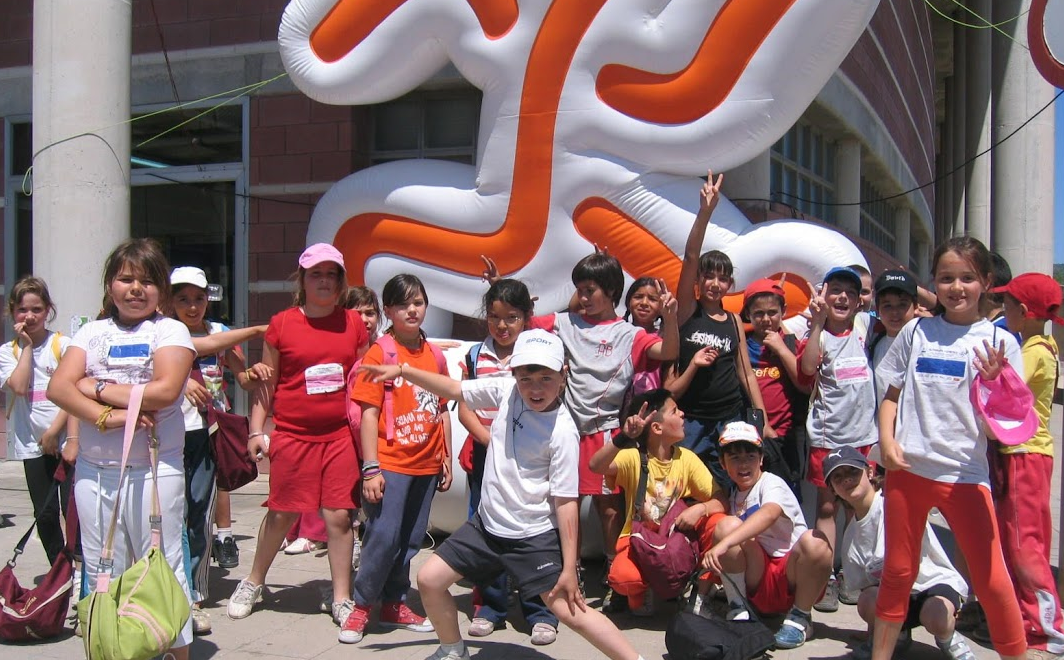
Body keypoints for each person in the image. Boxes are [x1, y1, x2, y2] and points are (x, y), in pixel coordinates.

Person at [362, 328, 650, 660]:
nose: (535, 387)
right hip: (486, 527)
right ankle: (454, 650)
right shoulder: (506, 390)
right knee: (429, 579)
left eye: (546, 377)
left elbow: (567, 504)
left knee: (570, 610)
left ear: (563, 375)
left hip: (533, 536)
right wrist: (403, 371)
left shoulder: (562, 431)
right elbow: (455, 389)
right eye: (526, 377)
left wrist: (570, 568)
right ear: (514, 374)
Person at [875, 236, 1027, 660]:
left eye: (967, 278)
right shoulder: (916, 331)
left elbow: (1004, 429)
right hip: (908, 471)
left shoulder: (1001, 343)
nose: (956, 287)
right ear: (934, 283)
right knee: (898, 573)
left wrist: (998, 383)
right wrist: (886, 442)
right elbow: (890, 395)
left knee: (992, 580)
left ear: (987, 282)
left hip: (965, 474)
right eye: (946, 278)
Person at [47, 238, 197, 658]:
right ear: (110, 285)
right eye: (125, 278)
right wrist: (107, 416)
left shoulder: (170, 330)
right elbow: (60, 386)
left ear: (161, 290)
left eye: (147, 281)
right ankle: (109, 647)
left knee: (162, 565)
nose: (135, 289)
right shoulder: (91, 332)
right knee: (99, 568)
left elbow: (165, 390)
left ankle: (174, 650)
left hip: (154, 469)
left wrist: (94, 386)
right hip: (95, 472)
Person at [226, 244, 369, 641]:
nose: (324, 281)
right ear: (302, 279)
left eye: (331, 274)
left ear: (341, 282)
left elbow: (364, 379)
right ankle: (254, 581)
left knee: (339, 517)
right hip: (291, 434)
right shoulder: (282, 323)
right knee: (282, 513)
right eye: (315, 274)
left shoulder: (355, 323)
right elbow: (266, 383)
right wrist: (257, 430)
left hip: (339, 435)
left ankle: (342, 595)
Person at [530, 254, 678, 606]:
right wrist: (498, 287)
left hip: (608, 433)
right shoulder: (563, 323)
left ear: (611, 290)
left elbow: (669, 349)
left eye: (590, 289)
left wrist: (670, 317)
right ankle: (568, 572)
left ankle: (615, 577)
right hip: (565, 431)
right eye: (579, 289)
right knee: (562, 507)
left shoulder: (631, 334)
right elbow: (522, 320)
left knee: (609, 509)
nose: (583, 296)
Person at [344, 273, 453, 644]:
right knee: (383, 535)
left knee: (409, 538)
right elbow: (369, 413)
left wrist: (446, 457)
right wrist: (371, 468)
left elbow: (442, 410)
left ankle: (394, 602)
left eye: (418, 302)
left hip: (426, 463)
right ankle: (361, 607)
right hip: (390, 463)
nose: (412, 309)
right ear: (388, 309)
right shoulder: (381, 352)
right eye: (404, 303)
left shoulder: (435, 354)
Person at [457, 279, 559, 644]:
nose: (502, 326)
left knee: (536, 533)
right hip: (487, 455)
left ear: (526, 318)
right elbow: (464, 406)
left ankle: (541, 609)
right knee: (486, 529)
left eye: (511, 317)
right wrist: (491, 442)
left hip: (531, 458)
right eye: (494, 317)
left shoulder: (538, 353)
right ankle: (490, 606)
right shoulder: (474, 355)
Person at [169, 265, 270, 634]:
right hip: (167, 433)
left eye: (198, 299)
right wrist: (180, 386)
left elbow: (241, 378)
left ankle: (194, 590)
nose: (192, 307)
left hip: (209, 433)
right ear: (170, 302)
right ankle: (169, 587)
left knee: (199, 513)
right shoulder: (164, 332)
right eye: (182, 299)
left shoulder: (221, 333)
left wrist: (254, 372)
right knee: (169, 514)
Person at [668, 171, 773, 489]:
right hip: (693, 421)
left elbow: (746, 374)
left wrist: (761, 420)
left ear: (730, 284)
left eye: (722, 278)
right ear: (699, 281)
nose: (715, 283)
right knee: (686, 489)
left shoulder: (734, 322)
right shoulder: (687, 311)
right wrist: (706, 211)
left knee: (729, 488)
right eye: (708, 276)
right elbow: (689, 258)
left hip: (730, 419)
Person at [826, 445, 976, 660]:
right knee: (867, 600)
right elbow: (866, 584)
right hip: (894, 598)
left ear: (869, 472)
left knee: (936, 617)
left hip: (930, 584)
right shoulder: (850, 539)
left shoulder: (894, 502)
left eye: (853, 471)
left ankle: (949, 639)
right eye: (837, 477)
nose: (847, 479)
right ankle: (897, 636)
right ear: (832, 489)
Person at [589, 388, 725, 617]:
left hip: (676, 542)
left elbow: (720, 500)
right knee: (623, 577)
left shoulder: (686, 458)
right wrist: (624, 437)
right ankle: (643, 590)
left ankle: (698, 592)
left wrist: (700, 509)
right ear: (657, 427)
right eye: (674, 411)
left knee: (719, 523)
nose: (682, 414)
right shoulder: (634, 456)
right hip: (642, 543)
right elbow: (596, 466)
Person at [702, 421, 833, 650]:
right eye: (734, 458)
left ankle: (800, 617)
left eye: (750, 456)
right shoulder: (734, 494)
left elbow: (770, 513)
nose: (744, 464)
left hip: (792, 577)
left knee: (816, 541)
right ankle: (739, 608)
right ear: (723, 463)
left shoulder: (771, 483)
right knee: (725, 526)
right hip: (759, 579)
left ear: (761, 459)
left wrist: (723, 545)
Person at [989, 272, 1064, 658]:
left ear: (1021, 310)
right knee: (1016, 540)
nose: (1002, 311)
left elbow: (999, 391)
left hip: (1024, 455)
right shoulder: (1041, 345)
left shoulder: (1032, 352)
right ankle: (1026, 618)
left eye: (1006, 304)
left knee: (1024, 545)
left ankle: (1046, 626)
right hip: (1025, 455)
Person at [798, 265, 878, 611]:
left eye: (851, 291)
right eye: (835, 290)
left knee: (860, 507)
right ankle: (827, 576)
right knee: (829, 507)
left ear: (860, 300)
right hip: (828, 440)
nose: (842, 297)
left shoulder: (869, 328)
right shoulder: (816, 334)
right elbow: (806, 367)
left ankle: (856, 573)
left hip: (864, 437)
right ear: (823, 296)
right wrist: (816, 324)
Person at [0, 276, 77, 565]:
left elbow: (72, 394)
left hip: (66, 440)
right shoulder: (9, 352)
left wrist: (54, 432)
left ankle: (80, 567)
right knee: (44, 513)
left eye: (36, 309)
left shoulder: (64, 345)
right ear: (12, 312)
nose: (29, 316)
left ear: (48, 310)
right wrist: (27, 346)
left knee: (72, 508)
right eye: (22, 310)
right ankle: (59, 568)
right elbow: (19, 386)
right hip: (30, 444)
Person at [741, 278, 809, 496]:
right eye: (759, 314)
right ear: (748, 315)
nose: (766, 319)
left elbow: (803, 383)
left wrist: (781, 349)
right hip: (751, 435)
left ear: (783, 312)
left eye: (772, 312)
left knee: (787, 495)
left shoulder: (790, 343)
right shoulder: (743, 343)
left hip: (786, 436)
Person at [868, 270, 919, 408]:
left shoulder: (925, 345)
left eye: (902, 305)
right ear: (878, 309)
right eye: (887, 305)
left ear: (916, 306)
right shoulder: (874, 343)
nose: (895, 312)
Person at [624, 276, 666, 396]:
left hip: (650, 405)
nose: (644, 303)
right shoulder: (619, 332)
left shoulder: (665, 339)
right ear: (628, 302)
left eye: (652, 299)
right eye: (638, 297)